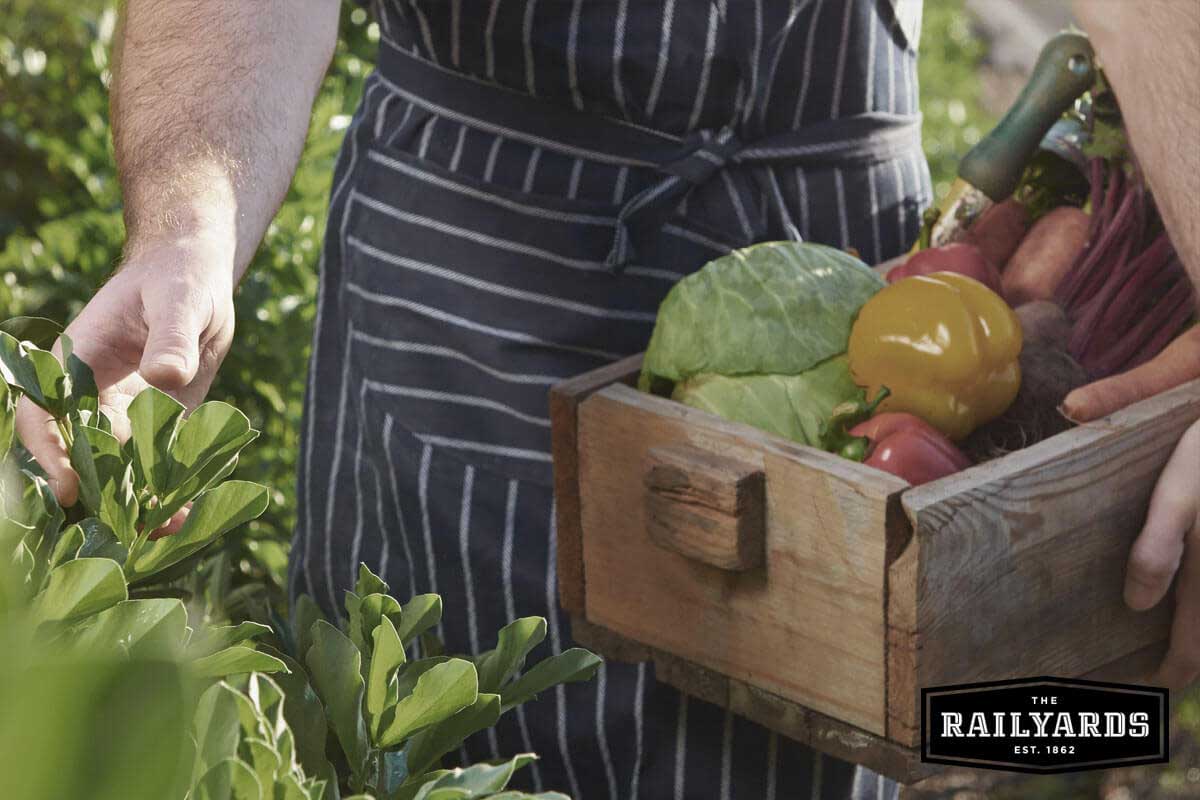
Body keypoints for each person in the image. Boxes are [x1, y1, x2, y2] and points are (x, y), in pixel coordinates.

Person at [14, 0, 1198, 797]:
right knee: (437, 730)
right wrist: (184, 229)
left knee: (834, 713)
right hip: (468, 285)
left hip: (839, 268)